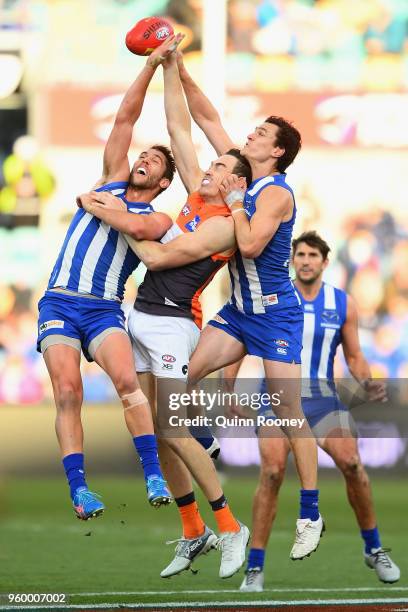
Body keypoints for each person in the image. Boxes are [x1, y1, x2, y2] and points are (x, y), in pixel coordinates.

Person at [80, 50, 253, 579]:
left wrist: (115, 215)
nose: (208, 167)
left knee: (175, 428)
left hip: (176, 321)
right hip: (142, 315)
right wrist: (169, 63)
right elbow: (180, 124)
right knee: (159, 431)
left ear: (234, 185)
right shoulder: (199, 197)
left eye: (221, 166)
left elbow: (157, 257)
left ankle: (229, 526)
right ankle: (192, 529)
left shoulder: (224, 224)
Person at [172, 53, 323, 560]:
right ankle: (203, 436)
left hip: (277, 314)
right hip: (239, 311)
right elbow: (208, 117)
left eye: (261, 133)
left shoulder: (276, 191)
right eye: (254, 131)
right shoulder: (243, 173)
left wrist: (236, 205)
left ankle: (310, 511)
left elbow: (253, 246)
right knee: (181, 376)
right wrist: (179, 67)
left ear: (277, 151)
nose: (250, 135)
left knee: (287, 410)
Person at [36, 36, 184, 521]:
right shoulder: (110, 180)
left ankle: (153, 475)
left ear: (164, 183)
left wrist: (95, 203)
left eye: (156, 162)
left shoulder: (159, 219)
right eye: (144, 156)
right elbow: (125, 118)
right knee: (67, 391)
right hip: (59, 302)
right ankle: (79, 490)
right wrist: (150, 66)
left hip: (102, 308)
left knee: (127, 382)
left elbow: (137, 227)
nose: (144, 160)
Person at [239, 231, 400, 591]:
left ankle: (374, 548)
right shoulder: (276, 298)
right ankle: (256, 566)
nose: (306, 260)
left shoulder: (342, 303)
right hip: (278, 397)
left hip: (322, 398)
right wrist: (231, 383)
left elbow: (355, 357)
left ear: (325, 262)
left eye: (313, 255)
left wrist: (367, 381)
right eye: (300, 254)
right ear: (292, 260)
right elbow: (241, 340)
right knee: (272, 472)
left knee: (353, 464)